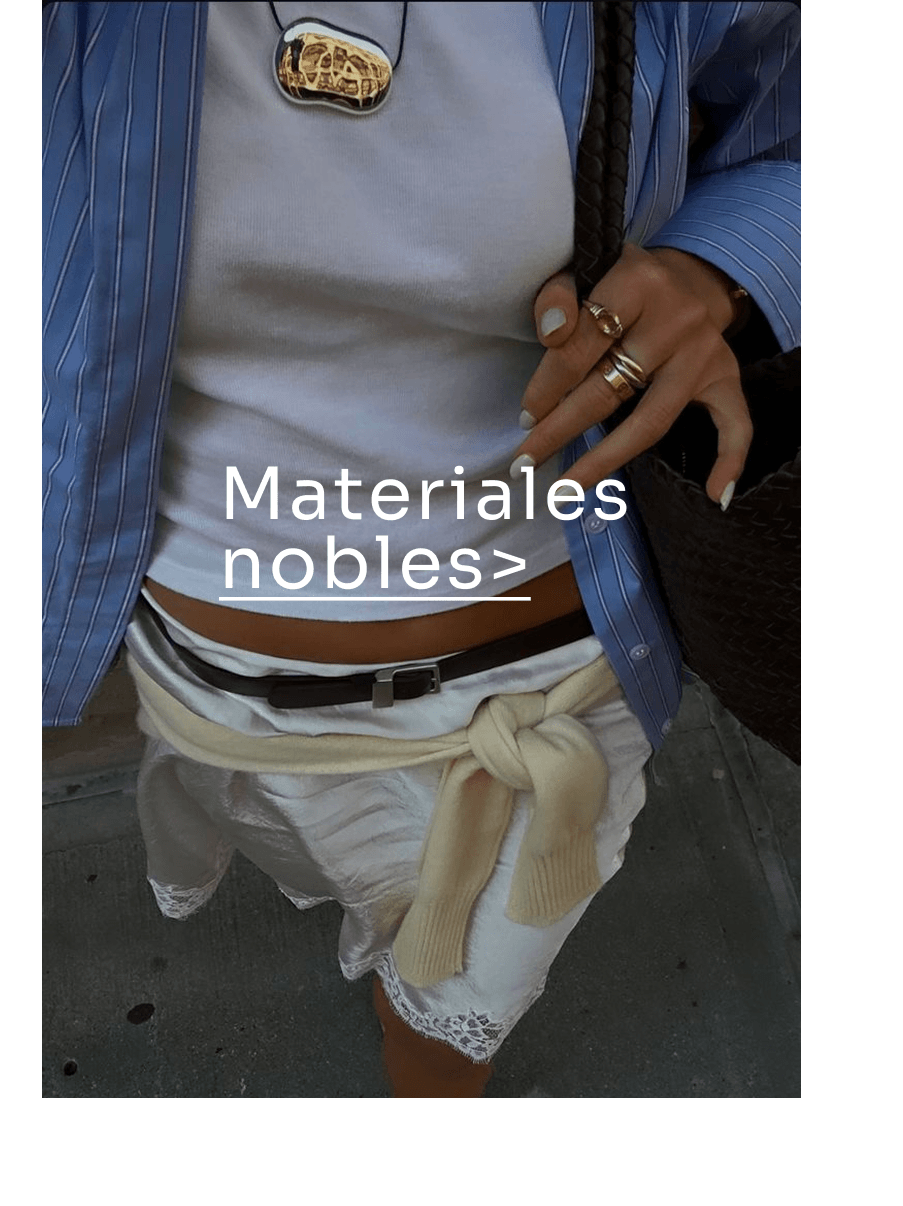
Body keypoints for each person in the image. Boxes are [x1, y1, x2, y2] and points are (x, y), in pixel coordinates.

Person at [43, 1, 800, 1096]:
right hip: (223, 708)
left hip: (558, 698)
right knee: (359, 908)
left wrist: (717, 272)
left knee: (452, 1035)